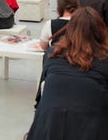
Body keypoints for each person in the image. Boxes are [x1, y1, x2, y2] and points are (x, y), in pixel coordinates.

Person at [26, 7, 108, 140]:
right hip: (92, 130)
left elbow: (41, 96)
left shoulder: (52, 54)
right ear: (100, 32)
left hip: (47, 129)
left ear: (70, 30)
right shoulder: (104, 60)